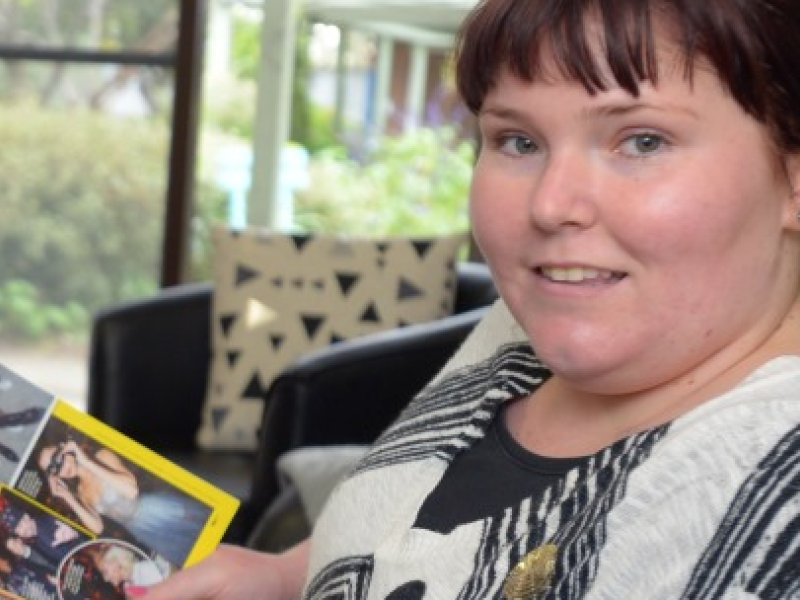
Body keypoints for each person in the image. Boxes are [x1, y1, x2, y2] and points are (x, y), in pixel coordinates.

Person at [130, 0, 800, 598]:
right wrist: (284, 577)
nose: (550, 204)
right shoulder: (533, 322)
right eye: (518, 140)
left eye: (643, 140)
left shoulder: (774, 505)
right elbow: (414, 519)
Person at [37, 438, 210, 567]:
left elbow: (131, 491)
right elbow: (97, 527)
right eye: (53, 469)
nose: (60, 468)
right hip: (140, 530)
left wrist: (87, 463)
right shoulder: (81, 491)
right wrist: (66, 496)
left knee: (206, 536)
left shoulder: (102, 456)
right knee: (193, 559)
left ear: (65, 448)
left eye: (57, 459)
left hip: (155, 510)